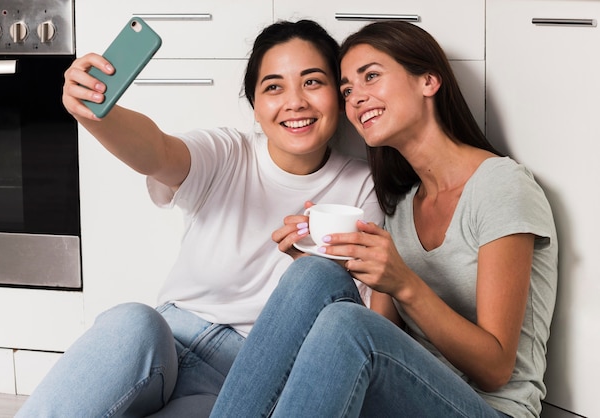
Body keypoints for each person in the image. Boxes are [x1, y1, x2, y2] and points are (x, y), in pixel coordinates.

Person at [16, 20, 384, 417]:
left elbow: (363, 323)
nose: (294, 101)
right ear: (256, 106)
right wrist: (97, 115)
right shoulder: (228, 152)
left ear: (338, 94)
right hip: (162, 344)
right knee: (131, 321)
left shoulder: (363, 189)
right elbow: (157, 152)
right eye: (274, 87)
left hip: (245, 379)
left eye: (312, 82)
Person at [210, 21, 558, 418]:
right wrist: (344, 269)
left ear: (428, 80)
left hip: (489, 409)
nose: (356, 98)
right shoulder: (403, 205)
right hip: (405, 397)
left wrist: (404, 283)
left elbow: (496, 370)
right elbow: (381, 335)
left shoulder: (500, 185)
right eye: (346, 90)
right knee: (314, 276)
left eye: (370, 76)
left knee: (346, 325)